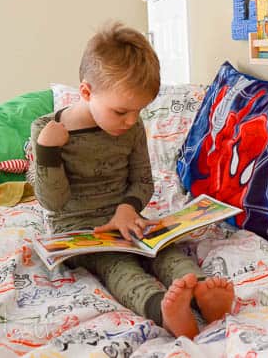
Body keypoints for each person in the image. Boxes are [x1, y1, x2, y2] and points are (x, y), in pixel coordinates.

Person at [30, 22, 234, 339]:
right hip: (83, 230)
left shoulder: (132, 126)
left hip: (126, 220)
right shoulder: (47, 130)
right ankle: (163, 312)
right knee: (119, 267)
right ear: (86, 92)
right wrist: (47, 152)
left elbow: (142, 180)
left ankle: (204, 292)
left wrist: (128, 208)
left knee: (165, 252)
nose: (130, 121)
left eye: (138, 112)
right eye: (121, 111)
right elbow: (52, 202)